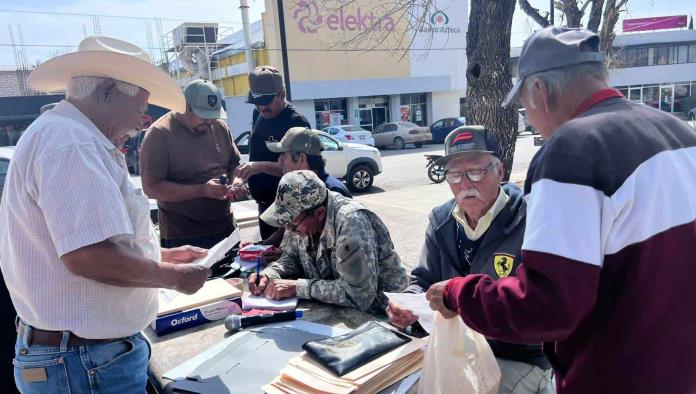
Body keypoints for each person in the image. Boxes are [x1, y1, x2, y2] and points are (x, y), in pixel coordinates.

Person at [426, 27, 696, 394]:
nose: (529, 119)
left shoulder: (573, 150)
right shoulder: (679, 134)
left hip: (617, 375)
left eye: (523, 105)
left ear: (540, 90)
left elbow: (545, 307)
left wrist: (460, 293)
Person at [0, 36, 211, 393]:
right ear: (107, 92)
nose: (144, 119)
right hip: (84, 362)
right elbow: (89, 257)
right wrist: (174, 277)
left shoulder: (68, 136)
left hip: (83, 358)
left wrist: (158, 256)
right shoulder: (73, 143)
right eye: (141, 105)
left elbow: (86, 245)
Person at [387, 126, 553, 393]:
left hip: (517, 355)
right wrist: (406, 302)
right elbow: (423, 279)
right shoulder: (441, 221)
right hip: (457, 347)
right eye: (454, 174)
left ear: (500, 171)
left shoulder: (530, 219)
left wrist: (467, 302)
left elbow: (539, 306)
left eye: (476, 171)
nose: (465, 184)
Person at [248, 170, 408, 313]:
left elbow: (359, 295)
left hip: (385, 314)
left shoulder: (352, 222)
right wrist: (270, 274)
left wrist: (298, 287)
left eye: (292, 224)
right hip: (338, 310)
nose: (288, 229)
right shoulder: (301, 218)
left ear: (319, 213)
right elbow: (292, 256)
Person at [140, 79, 245, 249]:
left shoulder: (219, 127)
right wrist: (201, 190)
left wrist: (237, 182)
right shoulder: (159, 134)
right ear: (185, 106)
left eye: (213, 116)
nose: (210, 122)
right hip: (183, 236)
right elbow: (151, 188)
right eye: (204, 116)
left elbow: (234, 165)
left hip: (226, 228)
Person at [240, 127, 352, 261]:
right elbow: (287, 229)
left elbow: (333, 257)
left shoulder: (331, 191)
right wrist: (260, 246)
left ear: (301, 158)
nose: (279, 161)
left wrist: (289, 259)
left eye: (284, 155)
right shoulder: (296, 187)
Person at [236, 66, 310, 240]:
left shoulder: (296, 122)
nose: (261, 107)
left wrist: (260, 167)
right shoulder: (258, 113)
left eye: (266, 101)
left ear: (281, 94)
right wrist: (244, 178)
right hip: (264, 207)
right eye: (256, 101)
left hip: (291, 211)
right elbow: (257, 154)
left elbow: (303, 172)